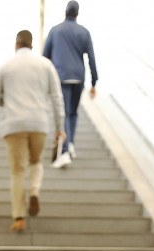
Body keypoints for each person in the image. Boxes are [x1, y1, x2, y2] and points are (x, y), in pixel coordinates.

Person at [0, 30, 65, 232]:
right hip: (39, 123)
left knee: (17, 170)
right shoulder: (45, 65)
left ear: (16, 45)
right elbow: (57, 98)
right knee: (36, 161)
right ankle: (34, 191)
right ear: (32, 45)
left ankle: (19, 217)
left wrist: (11, 101)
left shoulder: (5, 66)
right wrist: (60, 128)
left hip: (13, 124)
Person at [43, 1, 98, 169]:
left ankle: (65, 150)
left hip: (61, 77)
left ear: (65, 12)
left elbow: (45, 57)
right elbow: (91, 57)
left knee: (65, 112)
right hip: (79, 77)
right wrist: (94, 81)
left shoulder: (55, 30)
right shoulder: (84, 32)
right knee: (73, 112)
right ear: (77, 14)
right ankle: (71, 143)